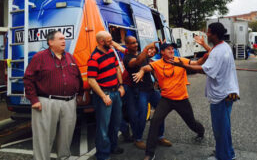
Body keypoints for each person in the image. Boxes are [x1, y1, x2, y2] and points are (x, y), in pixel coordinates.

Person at [170, 22, 240, 160]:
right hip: (229, 92)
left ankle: (224, 157)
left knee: (220, 129)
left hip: (221, 95)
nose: (206, 34)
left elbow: (204, 69)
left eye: (208, 32)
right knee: (224, 127)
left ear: (214, 34)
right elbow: (214, 54)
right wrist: (203, 45)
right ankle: (227, 152)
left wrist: (182, 65)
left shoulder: (218, 52)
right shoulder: (224, 46)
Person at [133, 43, 206, 160]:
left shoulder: (180, 60)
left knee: (191, 122)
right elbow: (146, 67)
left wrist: (207, 54)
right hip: (166, 99)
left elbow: (198, 63)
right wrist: (141, 71)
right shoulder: (157, 63)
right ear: (162, 52)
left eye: (173, 49)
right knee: (155, 122)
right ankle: (149, 154)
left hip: (182, 99)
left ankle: (201, 131)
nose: (172, 51)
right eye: (168, 49)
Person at [23, 30, 83, 160]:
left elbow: (77, 76)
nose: (64, 41)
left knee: (66, 135)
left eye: (64, 38)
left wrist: (80, 93)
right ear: (50, 42)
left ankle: (64, 157)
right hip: (46, 102)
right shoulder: (40, 57)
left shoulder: (69, 57)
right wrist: (34, 100)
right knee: (44, 136)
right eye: (61, 39)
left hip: (69, 102)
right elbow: (28, 79)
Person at [123, 36, 172, 150]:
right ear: (127, 45)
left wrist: (157, 81)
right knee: (142, 116)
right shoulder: (127, 58)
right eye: (132, 43)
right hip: (140, 91)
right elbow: (137, 62)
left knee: (161, 111)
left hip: (151, 89)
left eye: (136, 42)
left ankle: (160, 136)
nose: (135, 44)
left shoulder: (142, 54)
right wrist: (146, 48)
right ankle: (138, 139)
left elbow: (151, 66)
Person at [87, 31, 125, 160]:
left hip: (115, 92)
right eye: (109, 41)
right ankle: (103, 155)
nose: (112, 42)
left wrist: (121, 85)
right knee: (103, 127)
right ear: (101, 42)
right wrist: (104, 96)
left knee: (115, 123)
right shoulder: (94, 58)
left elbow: (117, 69)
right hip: (105, 94)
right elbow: (91, 80)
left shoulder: (110, 52)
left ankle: (113, 147)